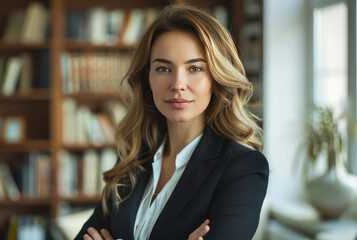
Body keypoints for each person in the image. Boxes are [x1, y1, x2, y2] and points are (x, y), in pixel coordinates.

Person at [75, 4, 269, 240]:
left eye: (195, 68)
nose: (178, 84)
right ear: (148, 78)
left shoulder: (243, 168)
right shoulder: (133, 156)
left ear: (216, 78)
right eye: (163, 68)